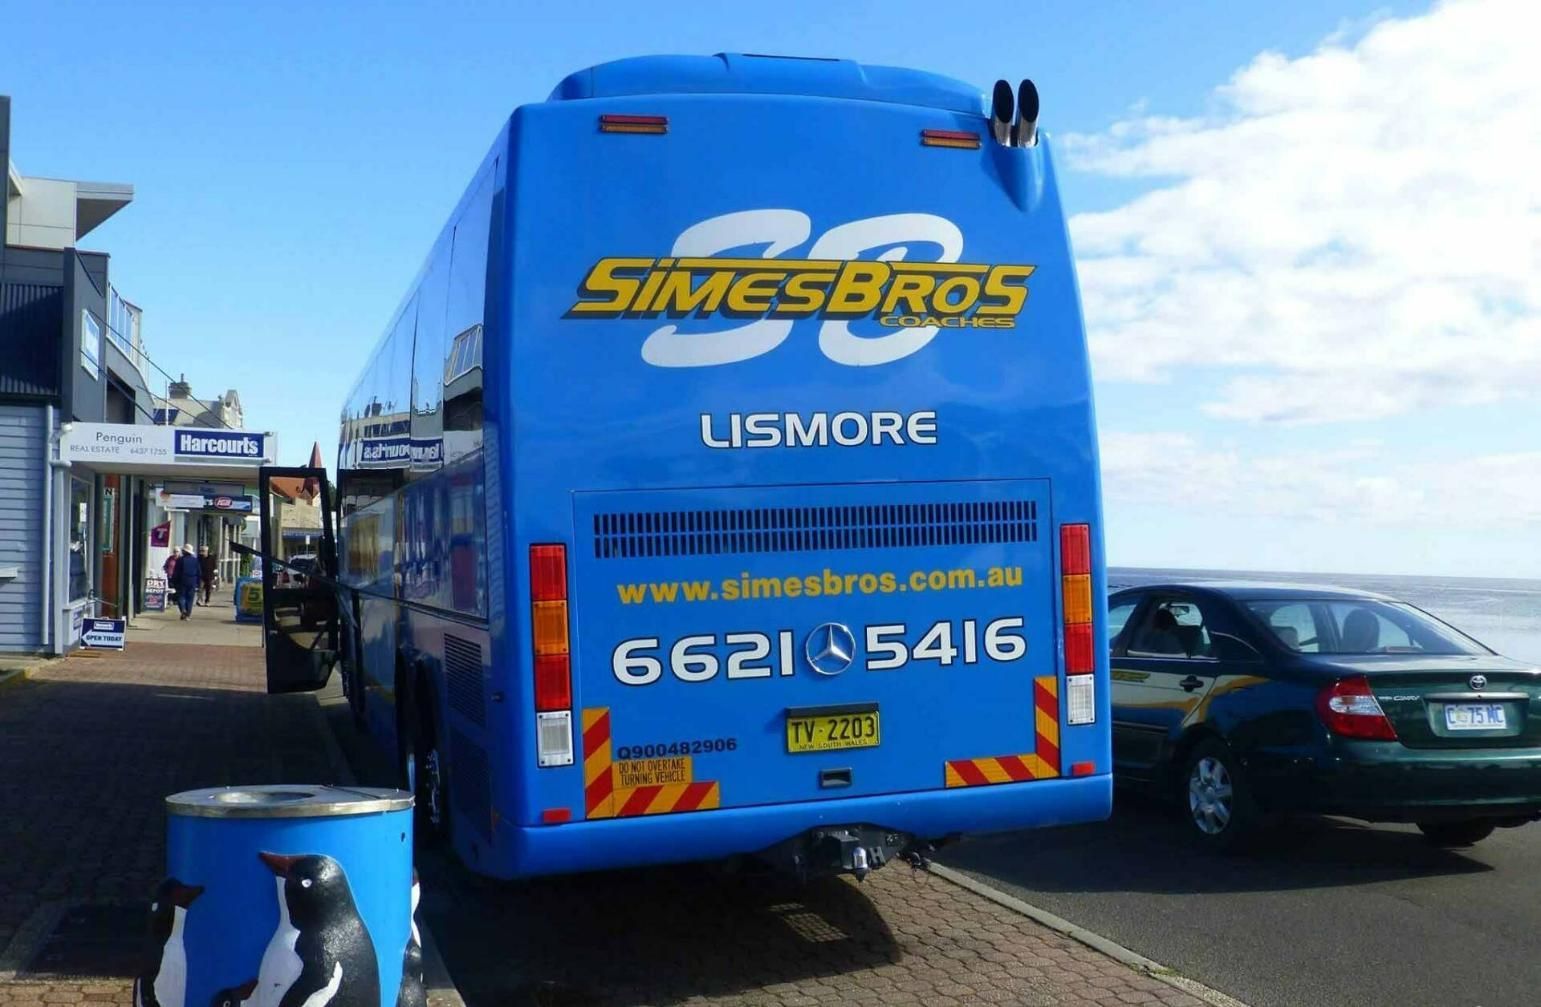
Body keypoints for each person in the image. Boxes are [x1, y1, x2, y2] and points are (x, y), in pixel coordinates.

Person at [171, 543, 201, 620]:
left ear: (184, 551)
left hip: (182, 580)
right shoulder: (195, 560)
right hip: (192, 580)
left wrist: (174, 581)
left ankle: (183, 610)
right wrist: (198, 583)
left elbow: (176, 572)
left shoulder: (180, 560)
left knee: (181, 596)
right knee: (190, 598)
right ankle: (188, 614)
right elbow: (199, 572)